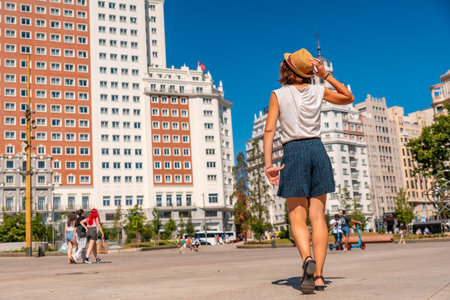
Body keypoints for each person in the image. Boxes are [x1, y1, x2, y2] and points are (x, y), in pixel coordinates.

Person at [264, 48, 354, 294]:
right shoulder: (319, 90)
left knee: (297, 216)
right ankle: (319, 277)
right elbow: (348, 97)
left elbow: (270, 131)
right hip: (317, 149)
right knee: (318, 216)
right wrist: (326, 76)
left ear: (287, 70)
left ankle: (306, 260)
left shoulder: (278, 94)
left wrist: (268, 165)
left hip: (294, 151)